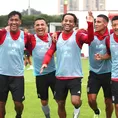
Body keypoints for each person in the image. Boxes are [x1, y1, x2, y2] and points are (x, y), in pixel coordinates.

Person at [40, 12, 93, 118]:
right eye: (66, 20)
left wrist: (90, 24)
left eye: (70, 21)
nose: (68, 23)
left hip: (75, 76)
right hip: (60, 77)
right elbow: (50, 51)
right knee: (60, 103)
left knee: (75, 101)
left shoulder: (78, 35)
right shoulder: (57, 36)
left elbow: (89, 39)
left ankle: (77, 108)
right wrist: (45, 63)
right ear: (62, 22)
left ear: (74, 24)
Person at [0, 11, 29, 118]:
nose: (14, 22)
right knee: (1, 104)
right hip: (2, 75)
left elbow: (35, 43)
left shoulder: (25, 35)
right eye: (11, 20)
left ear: (20, 22)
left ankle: (18, 114)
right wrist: (3, 30)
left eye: (16, 20)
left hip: (17, 76)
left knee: (18, 104)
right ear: (8, 21)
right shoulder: (2, 33)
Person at [27, 18, 56, 118]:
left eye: (42, 24)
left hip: (53, 73)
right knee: (44, 101)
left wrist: (57, 32)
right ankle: (47, 116)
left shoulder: (53, 36)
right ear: (34, 27)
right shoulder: (31, 38)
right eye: (37, 25)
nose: (40, 27)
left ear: (46, 26)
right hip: (40, 75)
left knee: (60, 99)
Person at [87, 14, 113, 118]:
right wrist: (56, 33)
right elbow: (73, 33)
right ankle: (96, 111)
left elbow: (113, 53)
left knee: (108, 101)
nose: (96, 24)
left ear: (106, 24)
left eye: (98, 22)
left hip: (109, 73)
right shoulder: (90, 35)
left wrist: (103, 57)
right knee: (91, 100)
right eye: (95, 22)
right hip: (94, 74)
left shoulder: (112, 35)